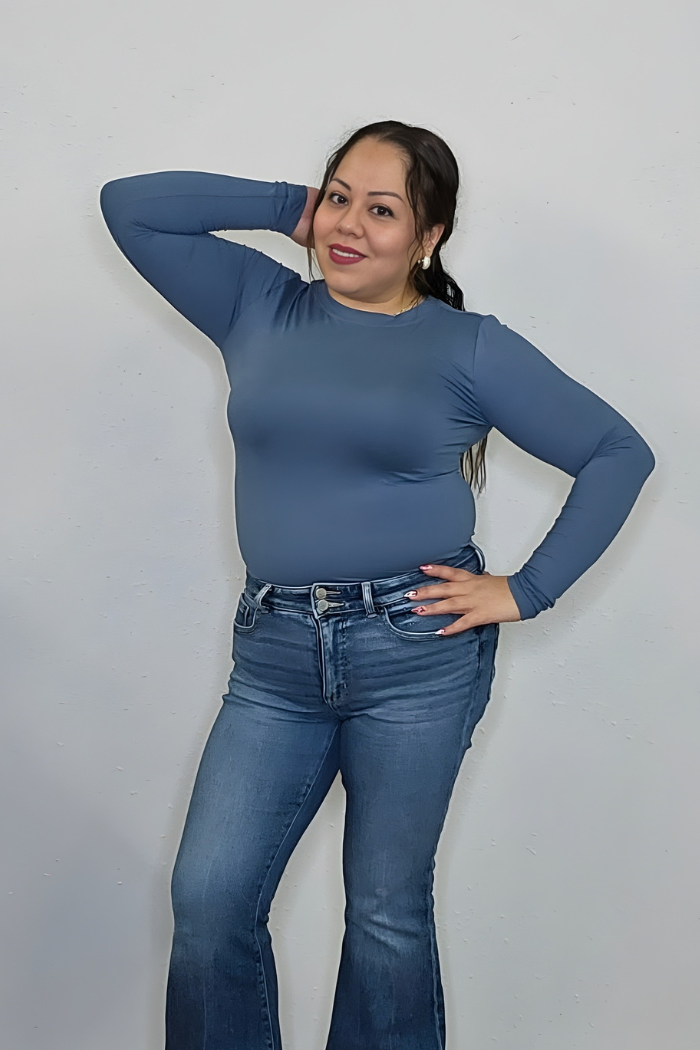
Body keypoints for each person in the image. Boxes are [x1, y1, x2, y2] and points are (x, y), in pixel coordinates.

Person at [99, 119, 655, 1050]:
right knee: (208, 899)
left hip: (414, 654)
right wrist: (289, 210)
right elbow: (132, 209)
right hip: (274, 655)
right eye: (340, 196)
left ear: (429, 237)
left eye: (383, 209)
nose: (350, 225)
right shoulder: (257, 302)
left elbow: (616, 452)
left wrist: (528, 590)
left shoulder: (468, 347)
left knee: (385, 914)